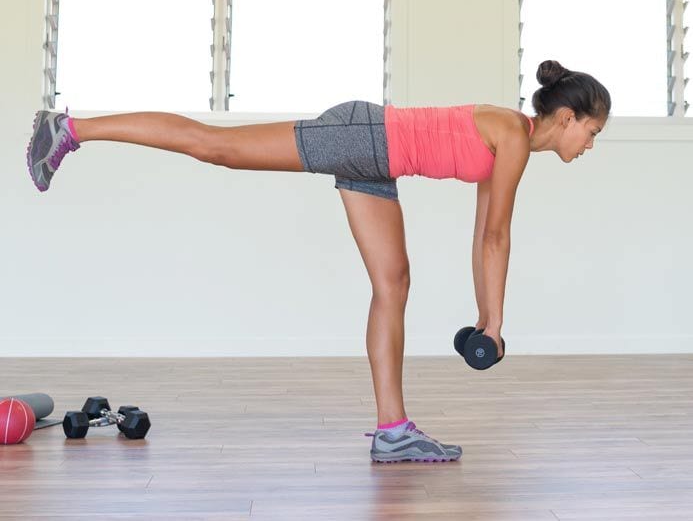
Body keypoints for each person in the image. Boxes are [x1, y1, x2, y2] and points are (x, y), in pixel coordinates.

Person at [26, 59, 611, 463]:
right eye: (591, 131)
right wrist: (496, 325)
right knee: (218, 146)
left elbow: (485, 231)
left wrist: (487, 318)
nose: (590, 145)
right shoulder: (511, 135)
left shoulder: (509, 139)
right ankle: (70, 128)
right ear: (565, 118)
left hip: (376, 158)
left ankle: (393, 432)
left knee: (393, 283)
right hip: (365, 137)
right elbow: (498, 237)